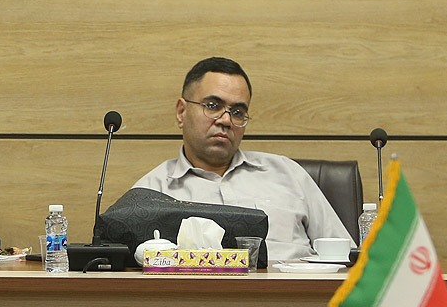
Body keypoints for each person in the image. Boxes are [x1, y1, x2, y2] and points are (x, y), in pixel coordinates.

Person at [131, 57, 352, 263]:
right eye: (212, 106)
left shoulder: (288, 174)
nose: (226, 120)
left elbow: (346, 256)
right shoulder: (149, 193)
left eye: (237, 112)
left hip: (295, 289)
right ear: (182, 112)